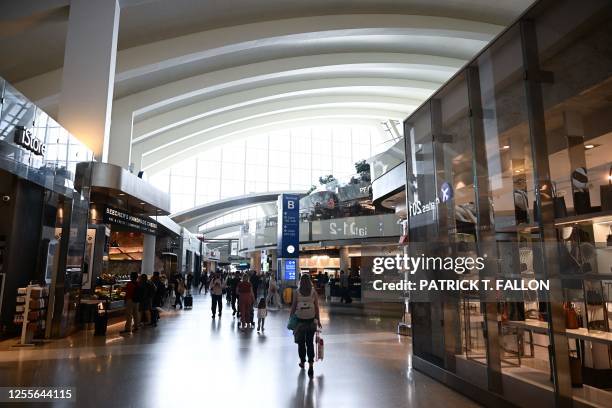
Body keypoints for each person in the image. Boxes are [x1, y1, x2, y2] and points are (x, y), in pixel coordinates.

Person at [290, 273, 321, 378]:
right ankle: (311, 365)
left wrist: (291, 319)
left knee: (301, 343)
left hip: (300, 321)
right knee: (310, 343)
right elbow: (316, 307)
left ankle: (302, 362)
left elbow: (294, 306)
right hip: (311, 320)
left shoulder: (297, 292)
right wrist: (318, 320)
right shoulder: (313, 292)